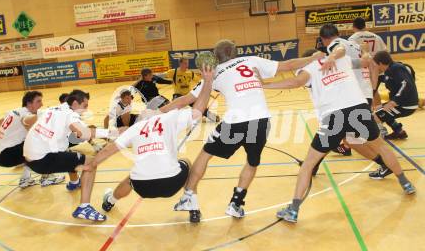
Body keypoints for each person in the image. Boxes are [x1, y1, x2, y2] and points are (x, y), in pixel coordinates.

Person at [164, 39, 325, 222]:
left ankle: (189, 197)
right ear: (235, 53)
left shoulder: (214, 73)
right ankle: (236, 203)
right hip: (261, 121)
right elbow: (288, 65)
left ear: (216, 57)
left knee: (205, 155)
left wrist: (158, 112)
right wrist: (312, 57)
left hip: (235, 122)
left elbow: (185, 100)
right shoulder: (252, 60)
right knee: (252, 162)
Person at [264, 46, 416, 223]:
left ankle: (293, 209)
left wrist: (264, 85)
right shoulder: (341, 59)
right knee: (379, 146)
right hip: (358, 110)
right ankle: (405, 182)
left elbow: (295, 83)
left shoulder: (309, 67)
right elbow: (366, 61)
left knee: (308, 164)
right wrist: (364, 52)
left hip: (334, 117)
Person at [87, 65, 214, 214]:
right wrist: (207, 83)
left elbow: (109, 149)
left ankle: (110, 201)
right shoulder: (170, 118)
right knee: (187, 162)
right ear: (163, 109)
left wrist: (91, 164)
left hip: (142, 186)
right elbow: (198, 110)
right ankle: (192, 204)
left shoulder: (136, 127)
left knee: (131, 178)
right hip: (171, 183)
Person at [23, 89, 120, 221]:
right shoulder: (70, 114)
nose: (86, 110)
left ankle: (74, 182)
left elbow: (26, 121)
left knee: (69, 154)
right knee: (90, 162)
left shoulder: (51, 109)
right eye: (84, 106)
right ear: (75, 103)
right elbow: (84, 133)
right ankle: (84, 207)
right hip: (43, 159)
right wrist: (113, 133)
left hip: (28, 159)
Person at [0, 91, 64, 188]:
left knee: (31, 145)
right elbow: (29, 120)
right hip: (6, 156)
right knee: (45, 145)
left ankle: (25, 179)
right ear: (29, 104)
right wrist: (48, 113)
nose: (42, 104)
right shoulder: (25, 114)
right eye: (38, 101)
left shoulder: (14, 111)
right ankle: (47, 177)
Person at [320, 23, 375, 156]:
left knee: (339, 131)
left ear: (324, 38)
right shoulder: (354, 44)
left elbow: (340, 49)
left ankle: (384, 161)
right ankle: (344, 148)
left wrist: (332, 56)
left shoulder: (335, 44)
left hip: (354, 97)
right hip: (363, 92)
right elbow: (366, 61)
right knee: (346, 134)